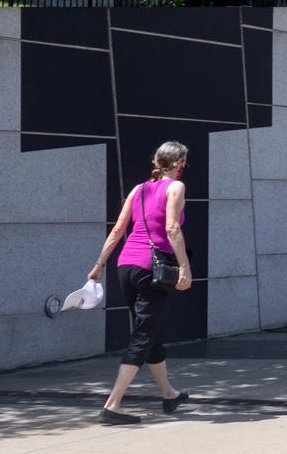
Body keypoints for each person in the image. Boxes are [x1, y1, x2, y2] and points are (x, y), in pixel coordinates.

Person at [86, 141, 193, 425]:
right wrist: (184, 265)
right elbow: (172, 227)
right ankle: (113, 405)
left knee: (151, 329)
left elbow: (119, 229)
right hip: (152, 269)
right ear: (179, 163)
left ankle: (168, 394)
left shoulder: (138, 189)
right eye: (185, 163)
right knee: (143, 334)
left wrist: (98, 266)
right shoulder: (176, 188)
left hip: (126, 266)